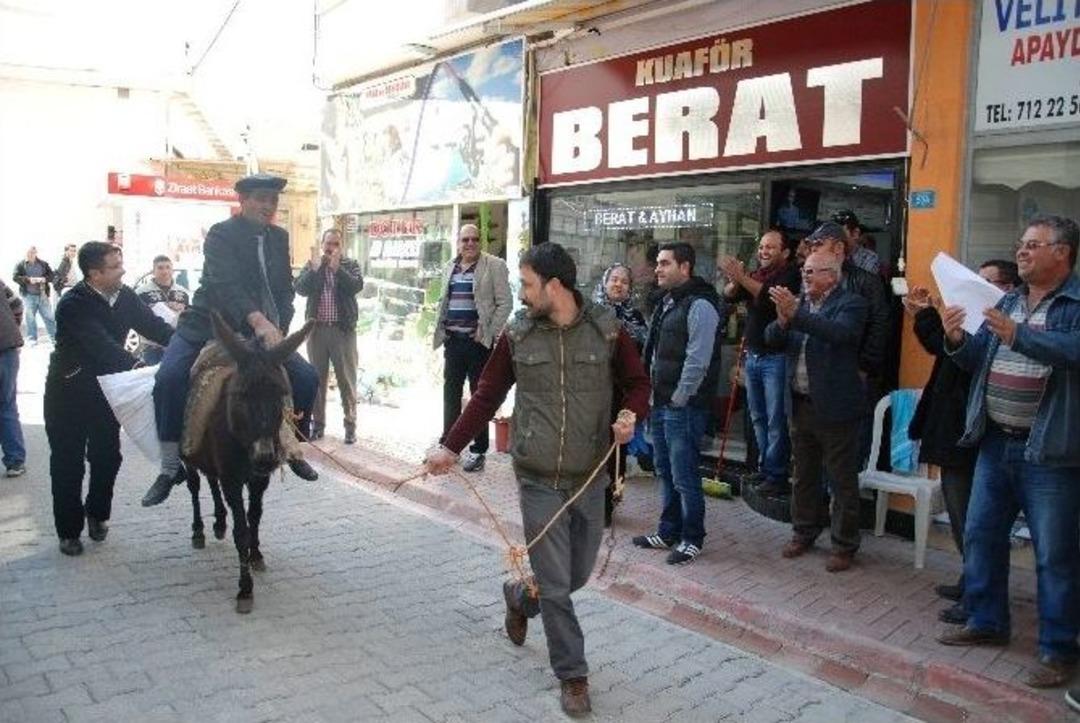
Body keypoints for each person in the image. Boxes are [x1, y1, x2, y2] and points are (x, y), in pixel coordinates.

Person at [423, 242, 650, 716]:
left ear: (554, 286)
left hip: (590, 476)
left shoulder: (607, 330)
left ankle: (520, 595)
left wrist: (630, 414)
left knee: (574, 575)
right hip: (538, 477)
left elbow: (638, 383)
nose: (522, 293)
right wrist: (450, 447)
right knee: (558, 585)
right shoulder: (518, 333)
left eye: (527, 284)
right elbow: (486, 396)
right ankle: (573, 674)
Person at [937, 214, 1080, 690]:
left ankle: (1059, 650)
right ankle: (986, 620)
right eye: (1021, 243)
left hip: (1050, 451)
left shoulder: (1075, 303)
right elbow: (980, 358)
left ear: (1062, 252)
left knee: (1055, 554)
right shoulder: (1009, 300)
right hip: (996, 439)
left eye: (1034, 244)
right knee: (981, 534)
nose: (1022, 250)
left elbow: (1072, 350)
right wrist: (957, 339)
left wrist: (1017, 334)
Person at [142, 174, 320, 508]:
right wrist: (258, 321)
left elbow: (284, 290)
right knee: (168, 379)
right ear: (242, 200)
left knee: (308, 379)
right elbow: (227, 286)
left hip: (263, 333)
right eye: (260, 198)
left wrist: (279, 327)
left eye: (273, 200)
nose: (268, 206)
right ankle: (169, 467)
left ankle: (293, 446)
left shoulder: (280, 237)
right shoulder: (221, 235)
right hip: (209, 324)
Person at [905, 260, 1018, 625]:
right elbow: (940, 348)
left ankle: (979, 591)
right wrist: (926, 315)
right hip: (949, 426)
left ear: (1006, 290)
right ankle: (972, 579)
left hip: (970, 431)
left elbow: (969, 362)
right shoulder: (971, 319)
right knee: (961, 514)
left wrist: (936, 322)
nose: (976, 287)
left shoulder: (1002, 328)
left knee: (973, 519)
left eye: (987, 282)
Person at [45, 242, 174, 556]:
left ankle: (97, 512)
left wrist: (185, 345)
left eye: (121, 263)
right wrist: (137, 367)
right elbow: (101, 345)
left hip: (107, 392)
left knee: (107, 457)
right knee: (67, 463)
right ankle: (69, 532)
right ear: (94, 274)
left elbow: (155, 327)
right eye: (115, 267)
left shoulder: (125, 296)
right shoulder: (73, 303)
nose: (123, 271)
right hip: (68, 393)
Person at [765, 250, 869, 572]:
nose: (805, 276)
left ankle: (844, 544)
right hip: (800, 404)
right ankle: (803, 532)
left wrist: (796, 314)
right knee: (803, 476)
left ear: (832, 275)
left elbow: (839, 334)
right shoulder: (799, 305)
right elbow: (770, 339)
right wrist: (783, 321)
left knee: (841, 480)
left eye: (813, 271)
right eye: (804, 271)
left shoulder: (851, 303)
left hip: (836, 408)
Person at [633, 242, 724, 566]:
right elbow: (655, 354)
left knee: (684, 475)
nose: (657, 269)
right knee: (665, 470)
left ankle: (692, 538)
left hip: (682, 407)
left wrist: (679, 399)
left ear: (685, 267)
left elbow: (697, 361)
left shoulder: (701, 305)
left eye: (664, 263)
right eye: (657, 263)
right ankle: (668, 531)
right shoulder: (667, 301)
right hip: (661, 403)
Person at [720, 230, 801, 496]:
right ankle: (765, 468)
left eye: (770, 247)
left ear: (785, 252)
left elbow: (767, 297)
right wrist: (735, 279)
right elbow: (729, 295)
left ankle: (777, 475)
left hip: (776, 357)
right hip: (753, 356)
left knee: (776, 420)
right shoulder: (757, 274)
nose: (763, 252)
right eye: (762, 247)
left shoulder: (790, 274)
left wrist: (742, 277)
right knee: (758, 417)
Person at [432, 223, 512, 473]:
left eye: (474, 239)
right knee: (450, 395)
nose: (470, 244)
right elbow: (444, 301)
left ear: (480, 241)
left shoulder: (494, 265)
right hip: (453, 341)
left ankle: (478, 450)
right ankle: (448, 446)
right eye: (465, 239)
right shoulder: (450, 267)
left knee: (480, 397)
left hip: (478, 344)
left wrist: (488, 332)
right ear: (458, 242)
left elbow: (505, 303)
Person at [294, 228, 364, 444]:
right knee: (317, 380)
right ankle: (318, 425)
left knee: (346, 380)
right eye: (328, 243)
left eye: (335, 244)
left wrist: (337, 270)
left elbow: (356, 286)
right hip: (317, 330)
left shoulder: (349, 264)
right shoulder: (314, 264)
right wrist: (314, 270)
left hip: (342, 331)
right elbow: (299, 288)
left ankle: (350, 426)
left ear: (341, 246)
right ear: (322, 244)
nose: (331, 247)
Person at [592, 262, 649, 523]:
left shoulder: (636, 317)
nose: (618, 285)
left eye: (624, 281)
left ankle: (608, 504)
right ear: (604, 283)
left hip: (622, 394)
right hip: (592, 391)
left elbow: (642, 353)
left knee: (616, 451)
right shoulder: (590, 314)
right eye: (614, 279)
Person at [134, 255, 191, 365]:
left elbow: (189, 318)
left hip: (177, 344)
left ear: (172, 270)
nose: (165, 271)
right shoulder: (141, 292)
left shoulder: (183, 293)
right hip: (153, 347)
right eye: (160, 268)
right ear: (153, 271)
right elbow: (138, 320)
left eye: (168, 267)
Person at [0, 278, 25, 478]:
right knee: (6, 405)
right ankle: (15, 461)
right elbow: (16, 304)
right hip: (7, 348)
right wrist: (11, 327)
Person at [12, 245, 56, 344]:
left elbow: (52, 276)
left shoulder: (43, 264)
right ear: (26, 253)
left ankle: (54, 338)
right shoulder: (20, 265)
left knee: (49, 317)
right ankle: (32, 339)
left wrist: (44, 279)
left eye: (32, 253)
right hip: (28, 296)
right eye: (28, 253)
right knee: (30, 318)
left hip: (43, 295)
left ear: (36, 253)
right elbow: (15, 277)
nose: (30, 255)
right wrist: (28, 280)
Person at [832, 210, 880, 275]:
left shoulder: (869, 258)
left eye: (840, 234)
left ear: (855, 233)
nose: (834, 239)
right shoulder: (827, 254)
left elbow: (863, 280)